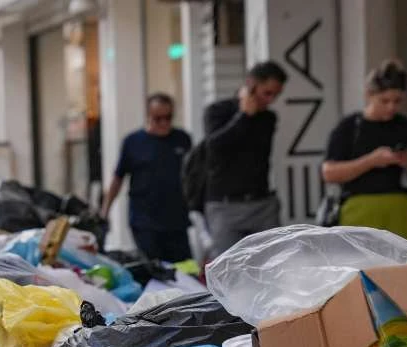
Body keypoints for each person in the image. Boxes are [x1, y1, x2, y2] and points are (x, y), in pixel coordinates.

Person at [321, 60, 407, 243]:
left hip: (399, 208)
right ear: (370, 95)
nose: (391, 107)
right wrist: (371, 160)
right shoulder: (351, 127)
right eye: (384, 101)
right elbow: (329, 172)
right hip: (358, 208)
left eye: (397, 101)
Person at [197, 61, 287, 256]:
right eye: (267, 93)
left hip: (261, 203)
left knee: (274, 262)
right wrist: (244, 115)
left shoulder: (267, 119)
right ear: (251, 84)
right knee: (227, 266)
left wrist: (251, 116)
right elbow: (215, 147)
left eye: (275, 95)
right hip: (224, 204)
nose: (270, 100)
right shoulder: (217, 111)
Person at [101, 93, 193, 262]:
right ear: (148, 116)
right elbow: (118, 178)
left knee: (186, 269)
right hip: (145, 221)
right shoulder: (133, 142)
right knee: (154, 269)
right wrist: (105, 212)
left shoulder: (182, 139)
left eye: (168, 117)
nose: (164, 123)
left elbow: (194, 175)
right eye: (158, 118)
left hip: (177, 219)